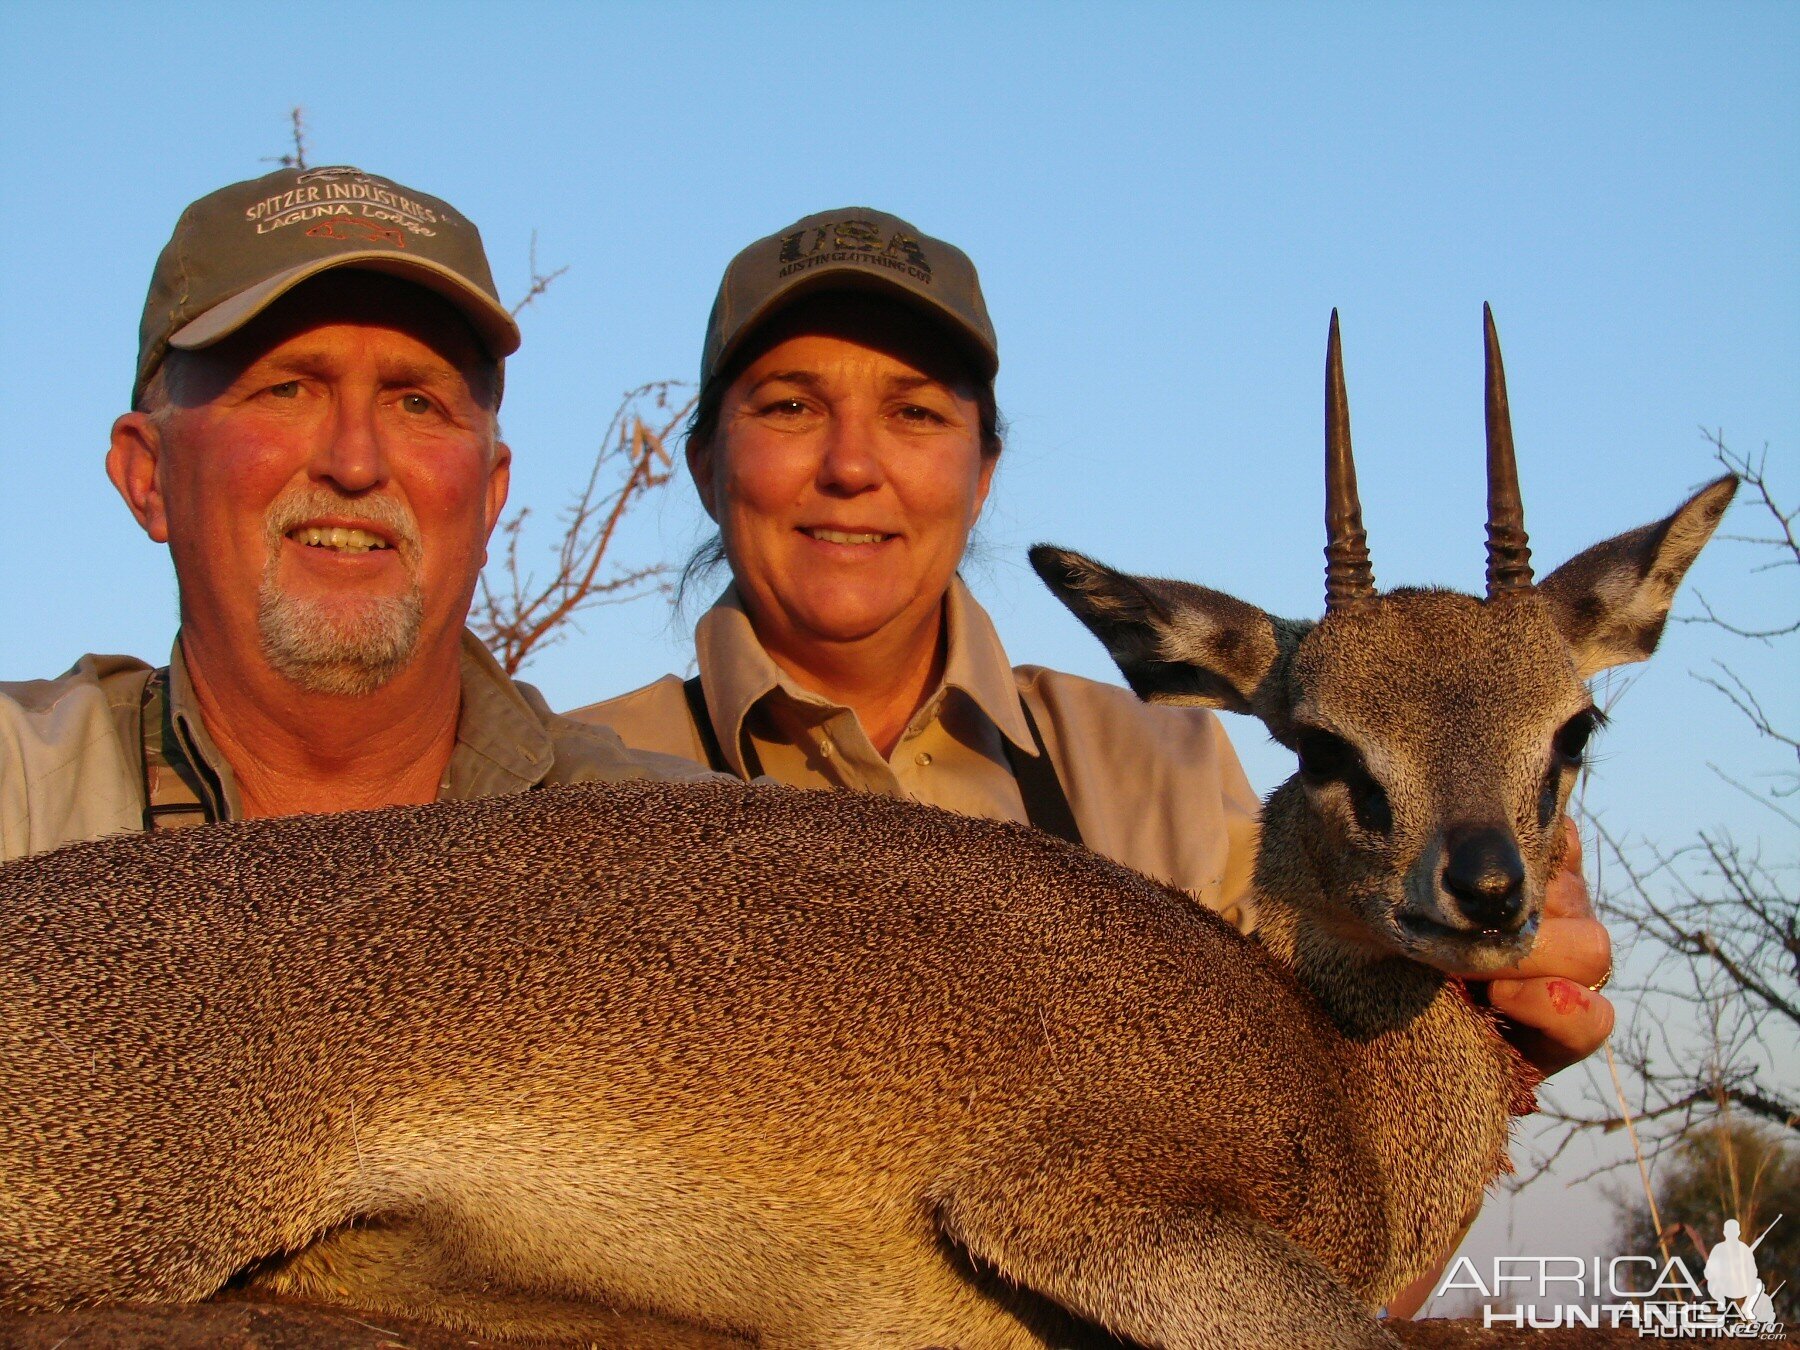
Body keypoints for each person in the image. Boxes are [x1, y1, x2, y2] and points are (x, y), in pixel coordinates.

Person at [571, 206, 1617, 1314]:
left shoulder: (1160, 770)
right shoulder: (580, 777)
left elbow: (1281, 1275)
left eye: (915, 413)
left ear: (983, 473)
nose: (851, 466)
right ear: (702, 461)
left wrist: (1472, 1042)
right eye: (789, 407)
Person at [0, 165, 707, 864]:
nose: (356, 462)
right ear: (147, 474)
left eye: (415, 402)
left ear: (490, 496)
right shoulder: (21, 790)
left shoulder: (692, 849)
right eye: (286, 390)